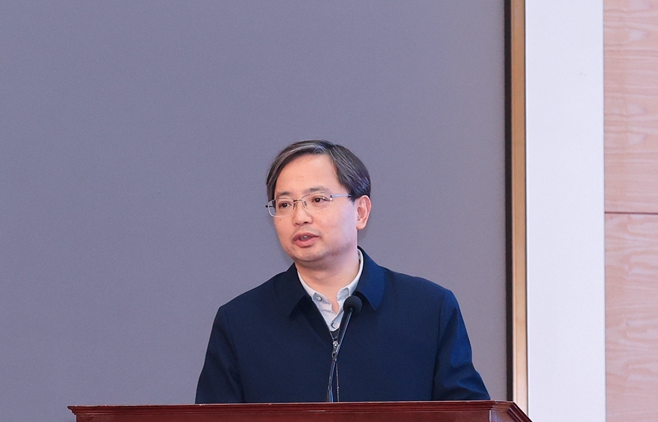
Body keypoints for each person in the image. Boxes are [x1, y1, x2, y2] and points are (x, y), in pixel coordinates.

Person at [195, 140, 489, 403]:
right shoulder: (240, 322)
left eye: (317, 200)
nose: (299, 216)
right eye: (285, 204)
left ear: (360, 211)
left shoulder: (428, 309)